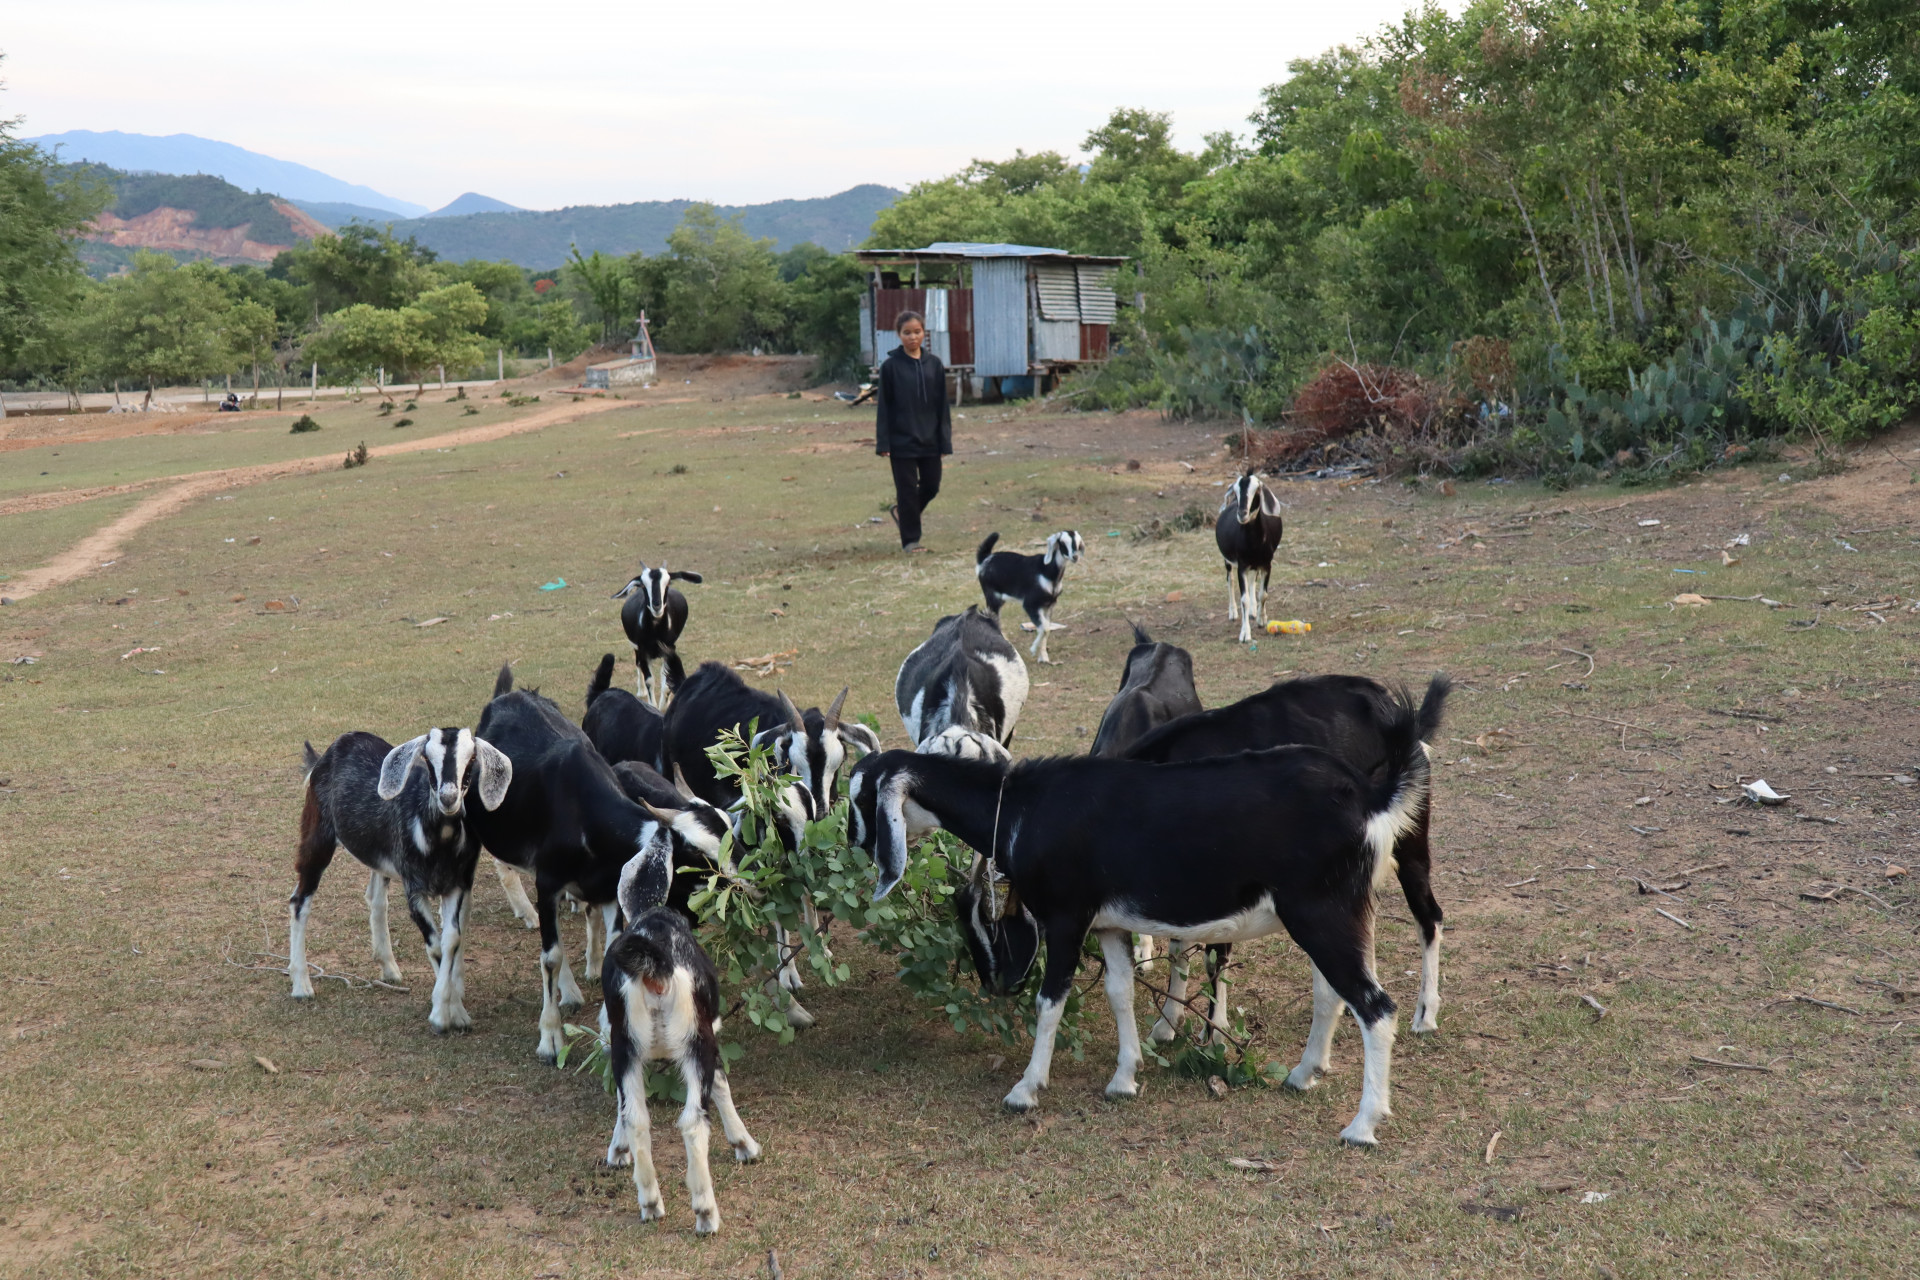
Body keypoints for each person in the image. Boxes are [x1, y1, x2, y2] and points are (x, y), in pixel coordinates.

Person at [874, 310, 950, 553]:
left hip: (930, 441)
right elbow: (884, 407)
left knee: (931, 486)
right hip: (901, 442)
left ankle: (902, 513)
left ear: (924, 333)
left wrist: (944, 442)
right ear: (899, 335)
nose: (912, 337)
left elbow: (942, 407)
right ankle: (911, 542)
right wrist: (884, 443)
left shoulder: (935, 365)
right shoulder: (890, 367)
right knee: (906, 491)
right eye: (907, 333)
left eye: (917, 332)